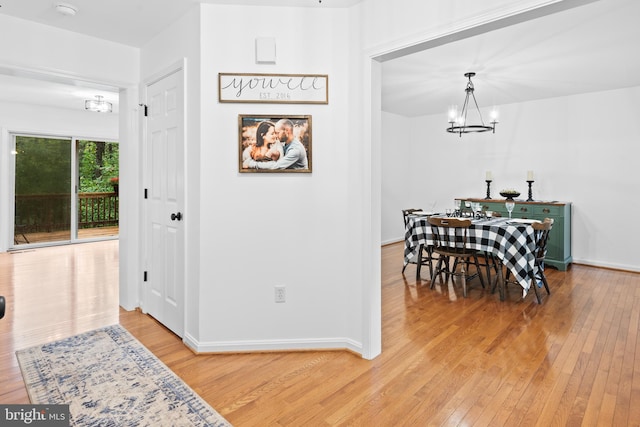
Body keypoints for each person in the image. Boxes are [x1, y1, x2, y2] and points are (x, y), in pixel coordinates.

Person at [243, 119, 308, 170]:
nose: (276, 136)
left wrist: (251, 164)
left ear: (286, 131)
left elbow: (277, 166)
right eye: (273, 133)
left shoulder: (296, 149)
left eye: (277, 133)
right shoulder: (285, 144)